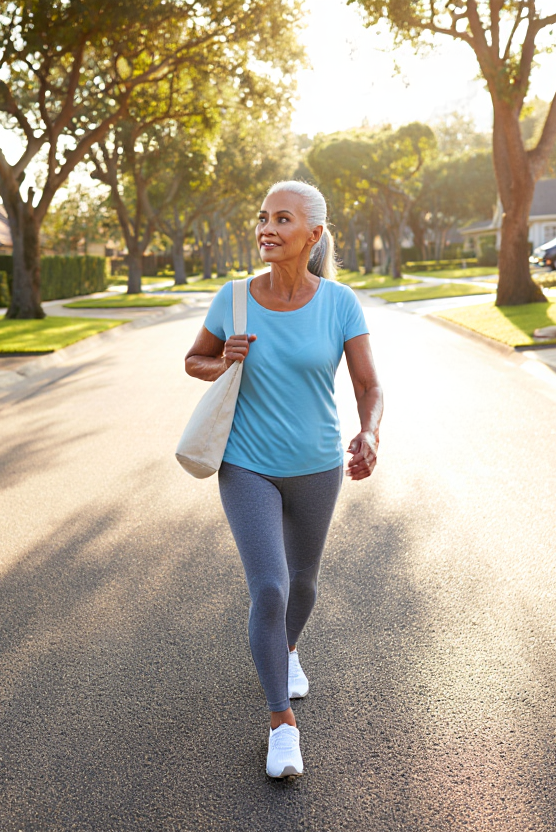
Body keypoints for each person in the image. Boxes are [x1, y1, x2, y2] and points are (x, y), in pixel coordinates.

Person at [184, 180, 384, 778]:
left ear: (314, 235)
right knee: (269, 588)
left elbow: (369, 386)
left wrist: (369, 434)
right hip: (246, 463)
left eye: (283, 219)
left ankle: (288, 649)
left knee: (304, 584)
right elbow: (194, 360)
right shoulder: (234, 299)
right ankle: (281, 726)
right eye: (264, 216)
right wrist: (223, 361)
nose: (267, 228)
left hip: (319, 464)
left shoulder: (340, 303)